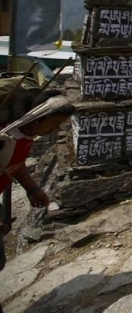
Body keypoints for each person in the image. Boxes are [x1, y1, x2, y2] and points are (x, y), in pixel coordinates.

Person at [1, 93, 75, 272]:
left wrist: (32, 189)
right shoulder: (4, 138)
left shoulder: (23, 138)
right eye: (55, 124)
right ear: (38, 120)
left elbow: (15, 165)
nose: (56, 129)